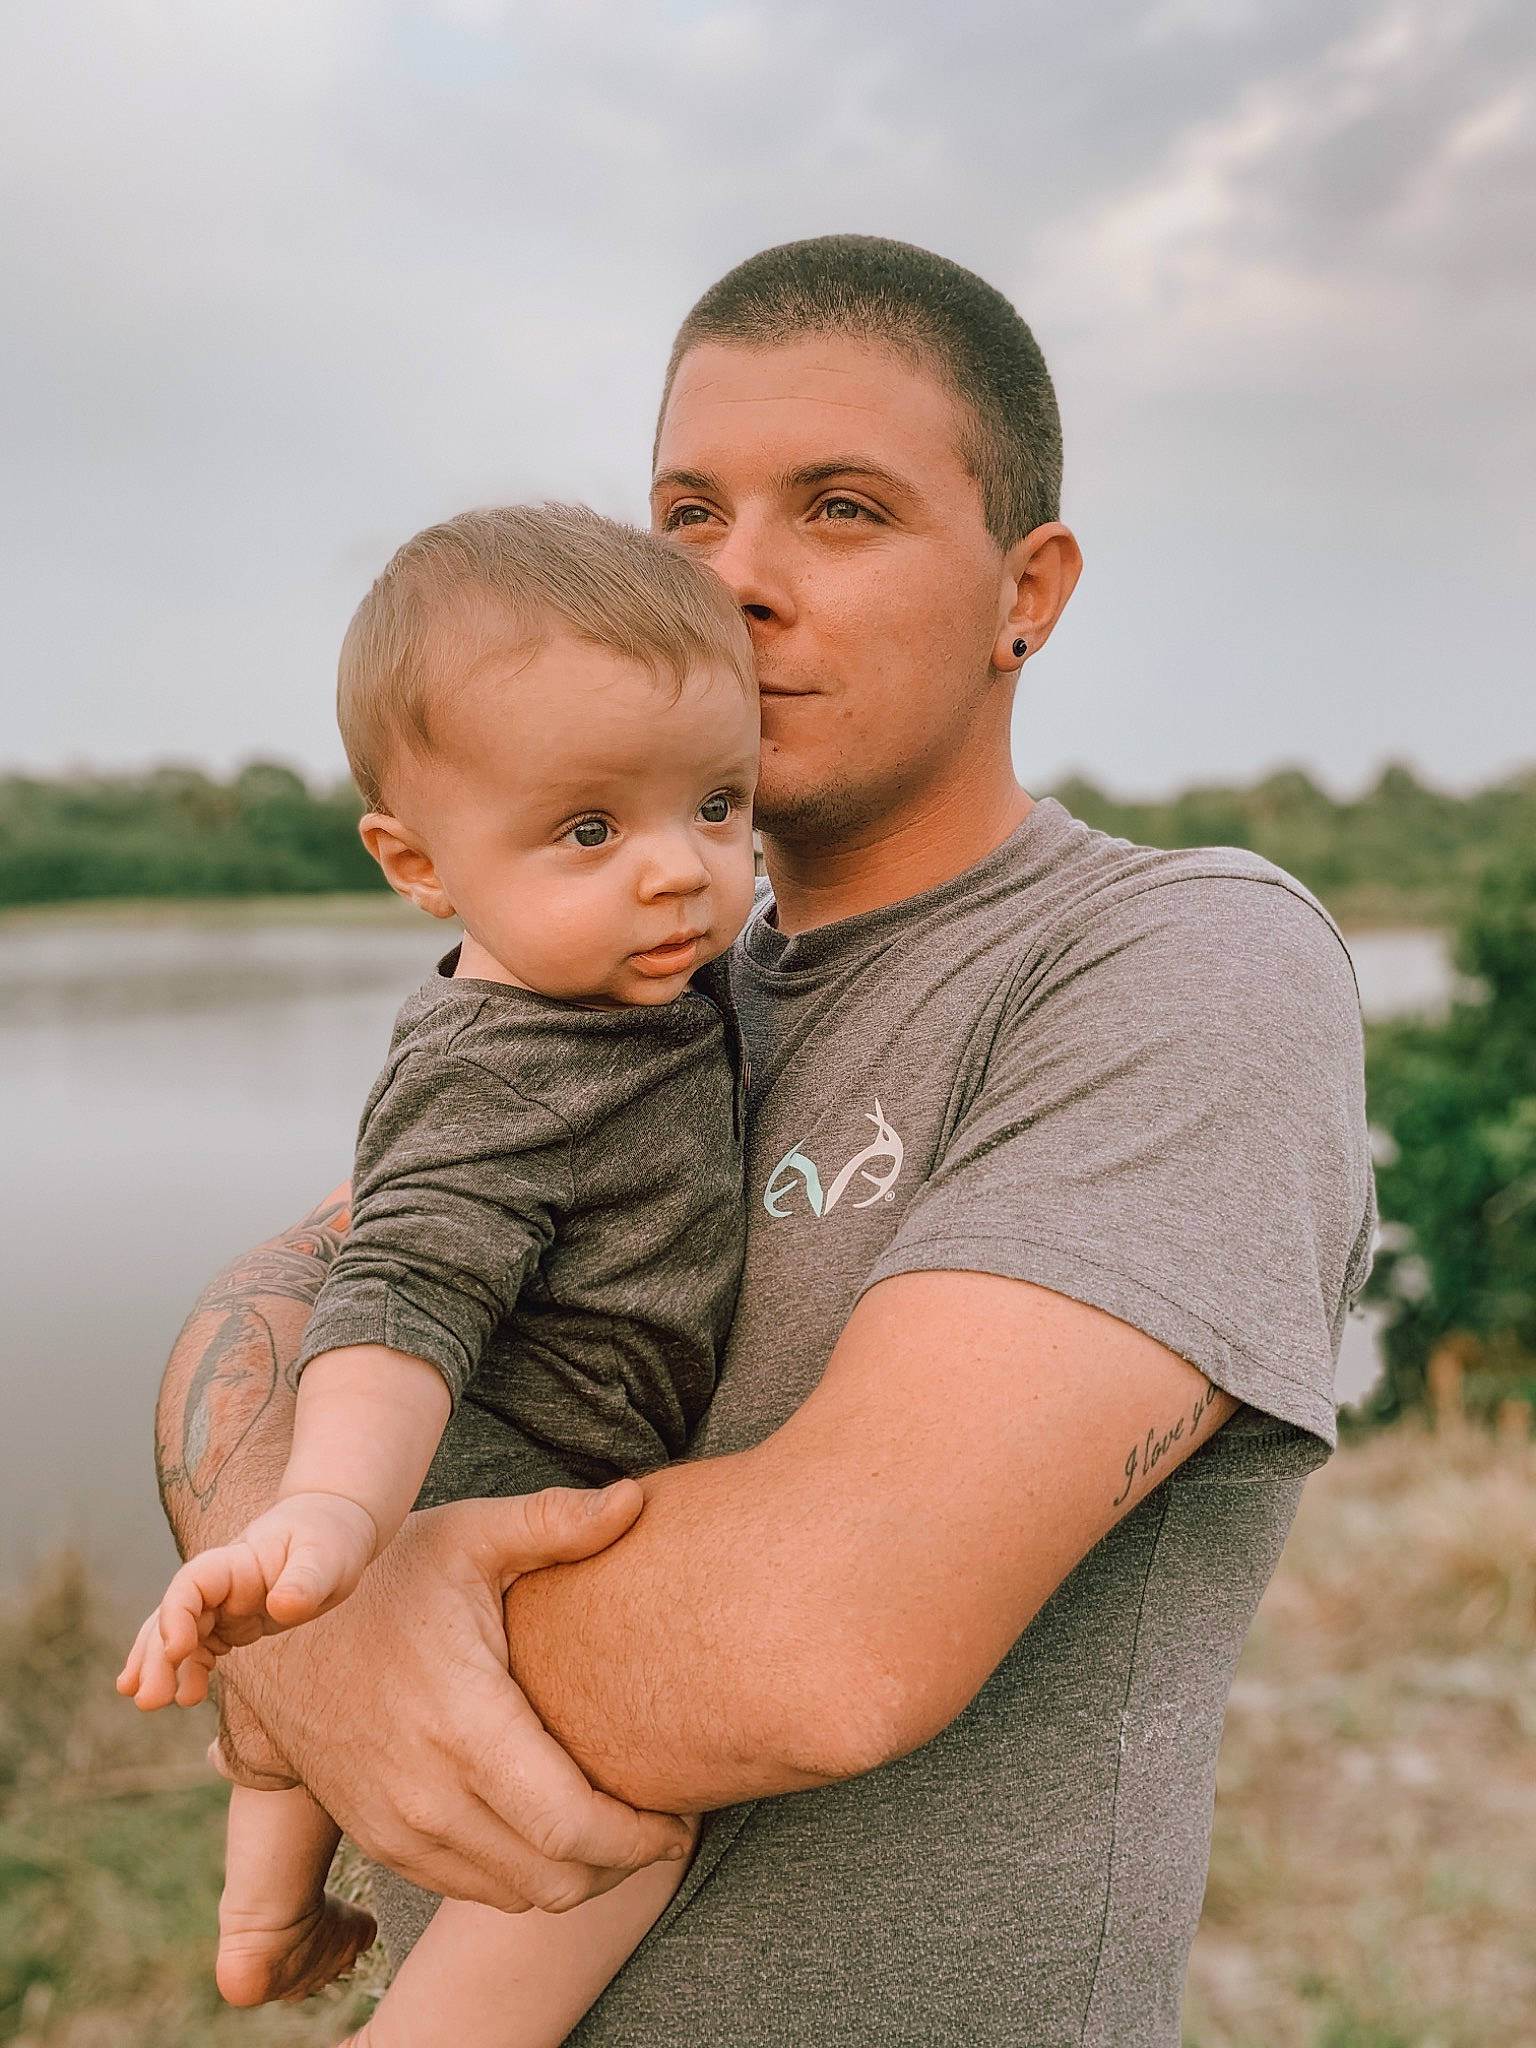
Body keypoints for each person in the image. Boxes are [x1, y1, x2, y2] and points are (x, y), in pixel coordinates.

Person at [152, 236, 1374, 2046]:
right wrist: (318, 1585)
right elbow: (304, 1284)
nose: (734, 582)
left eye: (843, 510)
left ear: (1027, 590)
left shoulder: (1175, 959)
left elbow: (831, 1644)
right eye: (687, 514)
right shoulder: (635, 987)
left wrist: (334, 1649)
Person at [125, 504, 759, 2043]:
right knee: (616, 1843)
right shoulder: (504, 1074)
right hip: (502, 1465)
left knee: (289, 1658)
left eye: (719, 806)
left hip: (490, 1451)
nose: (679, 874)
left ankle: (263, 1916)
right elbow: (402, 1294)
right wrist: (337, 1510)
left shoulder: (603, 975)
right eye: (590, 832)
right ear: (418, 863)